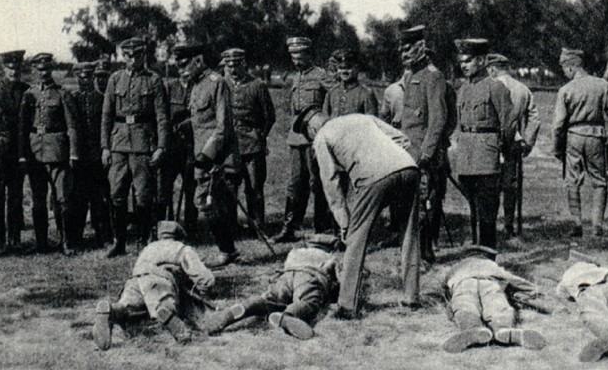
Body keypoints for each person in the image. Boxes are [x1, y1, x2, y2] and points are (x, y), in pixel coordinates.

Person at [294, 108, 420, 318]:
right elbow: (404, 140)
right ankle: (411, 297)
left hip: (374, 177)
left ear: (312, 128)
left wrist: (344, 222)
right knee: (409, 234)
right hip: (409, 167)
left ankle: (347, 305)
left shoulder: (321, 137)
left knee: (356, 239)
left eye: (308, 136)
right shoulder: (362, 118)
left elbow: (331, 183)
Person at [92, 221, 215, 350]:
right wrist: (204, 291)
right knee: (165, 305)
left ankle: (111, 311)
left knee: (128, 308)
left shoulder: (148, 248)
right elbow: (205, 279)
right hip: (159, 280)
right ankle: (170, 319)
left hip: (135, 281)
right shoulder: (182, 249)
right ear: (179, 236)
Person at [101, 37, 169, 257]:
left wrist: (161, 147)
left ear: (143, 55)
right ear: (123, 57)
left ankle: (143, 240)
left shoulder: (154, 80)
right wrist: (105, 146)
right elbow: (106, 116)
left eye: (137, 55)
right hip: (118, 143)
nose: (132, 60)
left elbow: (162, 117)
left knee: (143, 195)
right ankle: (118, 241)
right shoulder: (115, 79)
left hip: (143, 143)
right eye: (128, 55)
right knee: (116, 193)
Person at [204, 233, 340, 339]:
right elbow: (338, 281)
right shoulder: (330, 258)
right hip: (310, 277)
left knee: (271, 297)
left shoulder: (295, 253)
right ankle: (289, 315)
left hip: (285, 275)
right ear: (329, 248)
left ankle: (244, 307)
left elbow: (287, 266)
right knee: (307, 301)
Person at [181, 43, 242, 267]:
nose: (182, 69)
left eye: (185, 64)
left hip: (217, 156)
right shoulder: (196, 85)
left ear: (198, 61)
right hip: (201, 154)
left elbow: (223, 125)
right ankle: (228, 249)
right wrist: (186, 125)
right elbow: (201, 119)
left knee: (209, 202)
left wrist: (207, 155)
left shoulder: (218, 83)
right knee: (210, 203)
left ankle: (227, 250)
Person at [453, 39, 517, 249]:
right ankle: (476, 251)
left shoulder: (495, 87)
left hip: (486, 157)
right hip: (466, 157)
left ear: (481, 61)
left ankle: (488, 255)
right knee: (473, 208)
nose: (463, 65)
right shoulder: (462, 89)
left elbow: (508, 123)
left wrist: (504, 150)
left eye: (468, 61)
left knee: (487, 212)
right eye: (461, 61)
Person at [551, 48, 608, 238]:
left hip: (573, 138)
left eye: (565, 69)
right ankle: (597, 225)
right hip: (596, 137)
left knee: (572, 181)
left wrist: (557, 148)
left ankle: (577, 224)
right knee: (599, 181)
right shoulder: (602, 85)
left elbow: (558, 124)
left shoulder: (566, 90)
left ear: (573, 67)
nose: (565, 73)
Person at [399, 25, 452, 263]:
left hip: (425, 154)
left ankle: (427, 250)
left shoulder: (433, 76)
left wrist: (427, 153)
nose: (404, 53)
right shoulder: (411, 76)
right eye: (402, 49)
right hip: (408, 151)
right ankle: (415, 250)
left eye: (408, 48)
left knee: (428, 202)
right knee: (411, 203)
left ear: (420, 47)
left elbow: (438, 120)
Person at [19, 53, 80, 254]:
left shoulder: (62, 93)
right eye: (39, 70)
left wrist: (73, 153)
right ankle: (42, 243)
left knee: (63, 199)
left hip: (58, 151)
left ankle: (66, 242)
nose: (43, 73)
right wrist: (23, 154)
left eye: (46, 69)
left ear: (51, 70)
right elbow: (23, 127)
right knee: (38, 201)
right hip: (36, 151)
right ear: (35, 71)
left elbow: (72, 126)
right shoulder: (29, 94)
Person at [273, 36, 332, 243]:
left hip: (315, 137)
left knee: (318, 182)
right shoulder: (294, 77)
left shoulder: (321, 75)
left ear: (308, 54)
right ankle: (290, 227)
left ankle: (322, 227)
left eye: (300, 56)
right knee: (295, 184)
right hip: (296, 138)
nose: (296, 61)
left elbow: (333, 99)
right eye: (293, 57)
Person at [443, 245, 547, 353]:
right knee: (498, 306)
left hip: (463, 284)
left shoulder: (457, 266)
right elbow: (511, 278)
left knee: (464, 306)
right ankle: (503, 328)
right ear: (486, 256)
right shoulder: (490, 264)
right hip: (490, 283)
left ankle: (472, 328)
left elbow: (445, 284)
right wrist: (532, 288)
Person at [486, 54, 541, 240]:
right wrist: (528, 141)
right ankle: (509, 224)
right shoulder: (523, 89)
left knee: (489, 183)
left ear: (493, 69)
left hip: (489, 142)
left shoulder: (488, 87)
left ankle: (489, 224)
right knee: (510, 185)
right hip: (514, 142)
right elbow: (534, 117)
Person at [222, 48, 276, 232]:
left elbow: (269, 115)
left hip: (252, 144)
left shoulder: (257, 85)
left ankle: (257, 224)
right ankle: (231, 224)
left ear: (244, 63)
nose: (233, 69)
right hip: (229, 144)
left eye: (236, 64)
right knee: (230, 185)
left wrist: (260, 135)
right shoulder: (223, 85)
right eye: (229, 66)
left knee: (254, 186)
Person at [156, 44, 198, 235]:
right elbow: (162, 115)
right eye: (180, 67)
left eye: (186, 66)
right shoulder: (169, 87)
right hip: (173, 147)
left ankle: (191, 226)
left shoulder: (199, 87)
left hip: (193, 145)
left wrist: (189, 123)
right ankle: (166, 226)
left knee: (191, 188)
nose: (184, 71)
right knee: (165, 189)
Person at [71, 62, 111, 247]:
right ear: (77, 77)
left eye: (88, 76)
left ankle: (103, 235)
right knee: (79, 197)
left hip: (97, 154)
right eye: (81, 76)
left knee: (100, 197)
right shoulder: (71, 98)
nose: (85, 80)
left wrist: (105, 149)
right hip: (79, 156)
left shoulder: (101, 98)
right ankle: (76, 237)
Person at [557, 260, 608, 362]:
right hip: (605, 286)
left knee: (603, 325)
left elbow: (562, 293)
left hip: (587, 291)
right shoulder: (600, 270)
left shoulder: (568, 277)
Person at [0, 50, 28, 251]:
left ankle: (15, 238)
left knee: (16, 196)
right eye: (10, 68)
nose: (13, 71)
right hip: (0, 150)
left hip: (20, 150)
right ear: (3, 68)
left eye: (16, 68)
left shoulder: (26, 90)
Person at [322, 49, 378, 118]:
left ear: (357, 68)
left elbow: (370, 123)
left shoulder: (366, 93)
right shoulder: (331, 93)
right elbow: (325, 120)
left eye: (348, 68)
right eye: (341, 68)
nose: (344, 71)